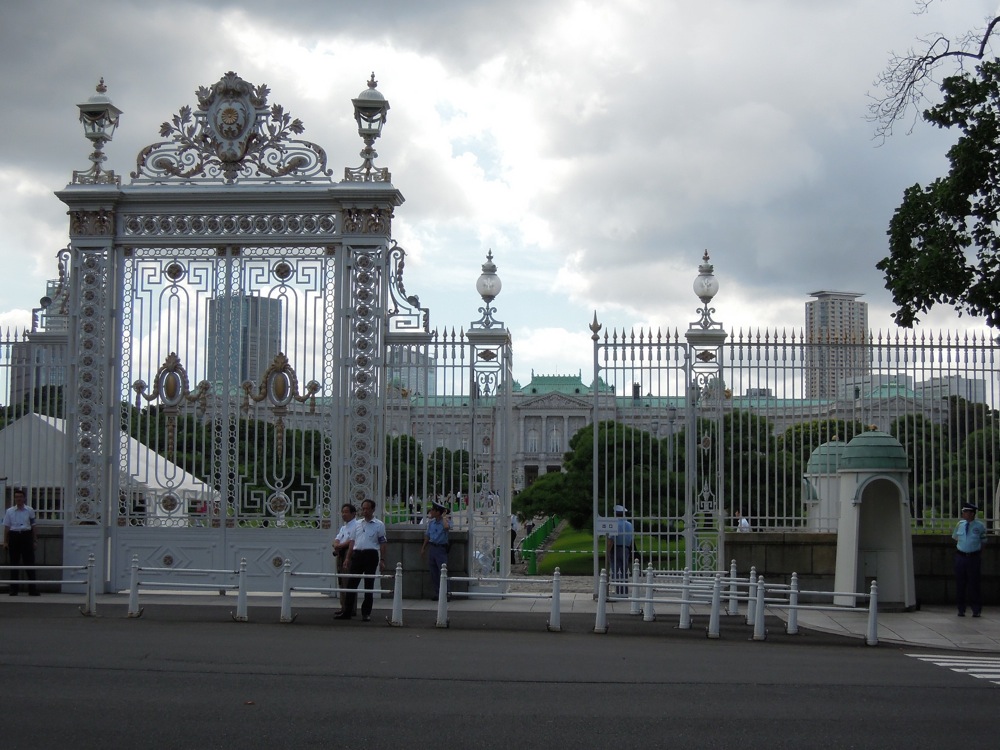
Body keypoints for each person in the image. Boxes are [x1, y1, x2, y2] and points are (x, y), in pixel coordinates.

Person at [339, 499, 387, 622]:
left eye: (367, 509)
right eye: (363, 509)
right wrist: (348, 558)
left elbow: (382, 543)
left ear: (372, 510)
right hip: (357, 554)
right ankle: (347, 611)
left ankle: (366, 612)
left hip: (371, 554)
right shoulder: (357, 524)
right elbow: (352, 542)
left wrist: (382, 559)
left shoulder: (379, 524)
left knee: (368, 584)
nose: (365, 511)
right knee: (351, 584)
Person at [952, 502, 987, 617]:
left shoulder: (979, 526)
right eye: (963, 512)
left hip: (973, 557)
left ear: (972, 513)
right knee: (960, 583)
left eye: (966, 512)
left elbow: (983, 542)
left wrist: (977, 553)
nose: (964, 514)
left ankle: (976, 609)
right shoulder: (960, 524)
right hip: (961, 556)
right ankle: (961, 608)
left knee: (974, 584)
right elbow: (956, 538)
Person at [3, 488, 39, 596]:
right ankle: (14, 589)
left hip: (26, 535)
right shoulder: (9, 511)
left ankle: (32, 589)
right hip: (14, 536)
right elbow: (6, 527)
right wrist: (5, 541)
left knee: (29, 562)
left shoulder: (29, 510)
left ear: (24, 498)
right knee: (14, 563)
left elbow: (33, 526)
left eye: (20, 497)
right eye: (16, 497)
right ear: (14, 498)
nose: (18, 499)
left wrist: (35, 540)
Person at [331, 503, 358, 616]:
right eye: (342, 512)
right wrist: (336, 545)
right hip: (340, 554)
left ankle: (350, 608)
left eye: (346, 512)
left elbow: (352, 540)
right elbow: (337, 539)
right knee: (341, 582)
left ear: (353, 513)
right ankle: (343, 607)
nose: (343, 514)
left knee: (348, 582)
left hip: (349, 553)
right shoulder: (343, 527)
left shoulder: (356, 526)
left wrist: (340, 546)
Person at [420, 499, 450, 600]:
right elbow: (427, 536)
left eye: (433, 510)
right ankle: (438, 593)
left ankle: (446, 593)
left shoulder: (444, 521)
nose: (431, 512)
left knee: (443, 572)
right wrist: (423, 548)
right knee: (434, 573)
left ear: (438, 512)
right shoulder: (431, 523)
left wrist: (444, 515)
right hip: (432, 548)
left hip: (441, 548)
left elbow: (446, 527)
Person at [606, 504, 634, 595]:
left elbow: (611, 539)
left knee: (617, 571)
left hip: (616, 548)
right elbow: (630, 539)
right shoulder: (629, 524)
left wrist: (607, 551)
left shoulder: (614, 524)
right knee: (624, 571)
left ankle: (619, 591)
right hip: (626, 548)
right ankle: (624, 591)